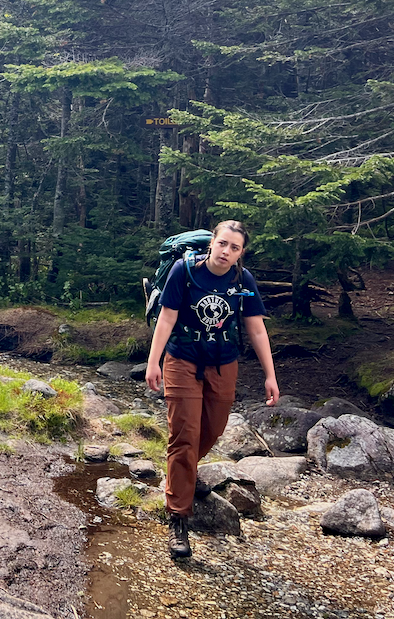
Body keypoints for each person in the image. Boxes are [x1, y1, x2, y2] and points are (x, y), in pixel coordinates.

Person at [144, 219, 279, 560]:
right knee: (185, 435)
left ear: (240, 253)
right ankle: (178, 517)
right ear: (212, 243)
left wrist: (270, 375)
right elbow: (167, 318)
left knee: (214, 429)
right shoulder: (184, 271)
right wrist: (153, 361)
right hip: (182, 359)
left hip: (223, 363)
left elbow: (256, 329)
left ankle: (183, 473)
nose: (226, 251)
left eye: (234, 247)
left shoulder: (243, 280)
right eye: (222, 243)